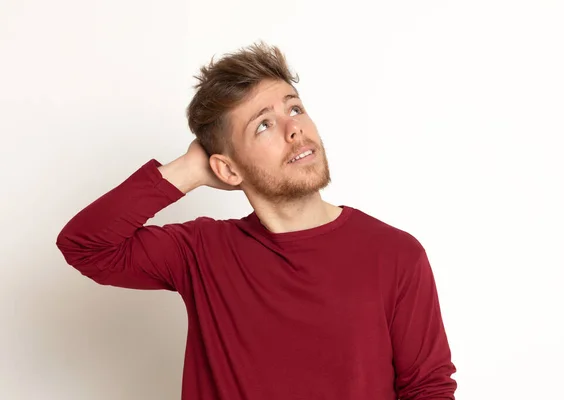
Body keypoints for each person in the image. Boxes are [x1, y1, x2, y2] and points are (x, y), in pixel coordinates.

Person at [56, 41, 457, 400]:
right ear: (227, 170)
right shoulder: (201, 253)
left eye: (294, 107)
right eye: (264, 124)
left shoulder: (395, 254)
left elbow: (428, 389)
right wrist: (189, 170)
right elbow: (85, 246)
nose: (294, 129)